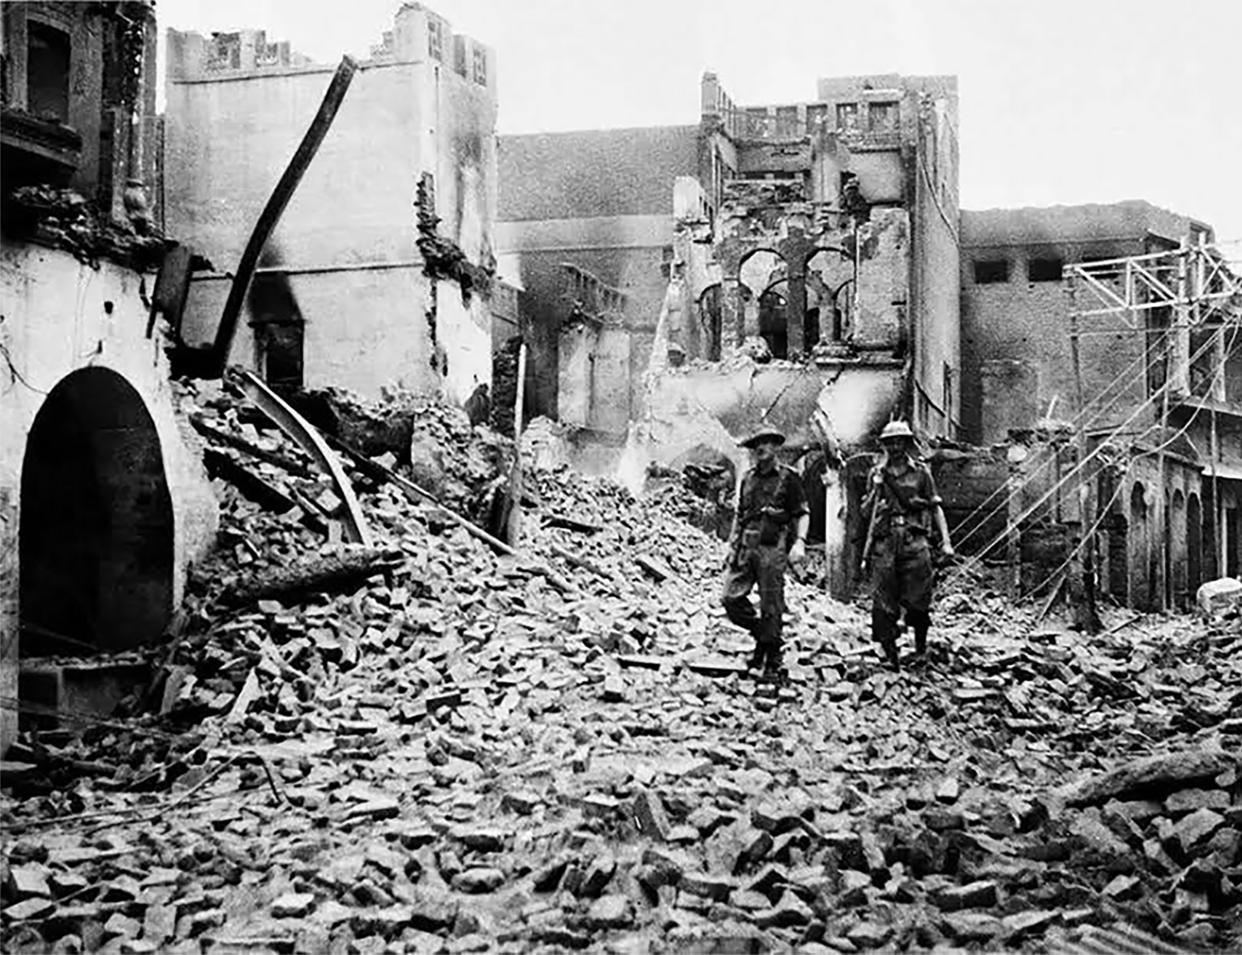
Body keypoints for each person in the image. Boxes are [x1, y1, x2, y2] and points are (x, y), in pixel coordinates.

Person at [861, 421, 954, 670]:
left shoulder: (922, 472)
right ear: (884, 445)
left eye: (899, 441)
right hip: (885, 541)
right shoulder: (876, 473)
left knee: (919, 597)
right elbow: (865, 512)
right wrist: (876, 489)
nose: (894, 446)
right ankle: (891, 656)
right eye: (890, 442)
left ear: (906, 443)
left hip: (914, 539)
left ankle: (920, 650)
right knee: (883, 599)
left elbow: (935, 507)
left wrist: (946, 542)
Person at [722, 429, 810, 680]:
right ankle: (765, 636)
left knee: (771, 604)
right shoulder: (747, 478)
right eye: (756, 443)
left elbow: (802, 512)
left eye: (765, 443)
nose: (760, 448)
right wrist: (732, 546)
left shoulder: (789, 478)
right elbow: (740, 516)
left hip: (772, 546)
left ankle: (771, 658)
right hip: (746, 546)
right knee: (730, 598)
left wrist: (800, 543)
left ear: (776, 447)